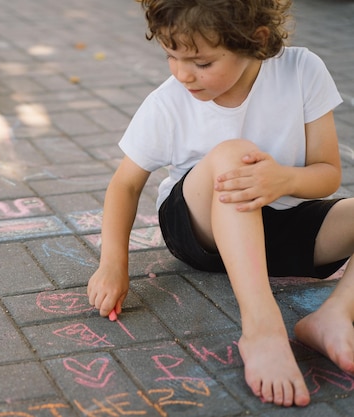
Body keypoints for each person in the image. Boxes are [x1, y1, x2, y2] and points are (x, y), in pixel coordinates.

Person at [87, 0, 354, 408]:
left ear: (255, 40)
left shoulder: (302, 70)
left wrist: (285, 178)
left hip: (280, 225)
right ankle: (261, 328)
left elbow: (328, 175)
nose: (181, 73)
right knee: (234, 155)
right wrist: (112, 264)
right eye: (171, 55)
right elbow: (125, 184)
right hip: (199, 229)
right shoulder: (170, 101)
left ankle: (334, 315)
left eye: (201, 62)